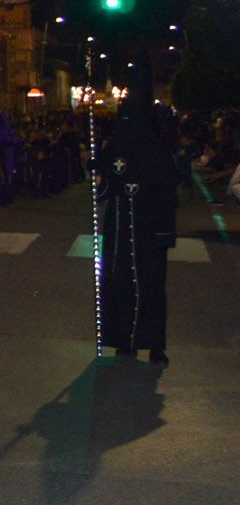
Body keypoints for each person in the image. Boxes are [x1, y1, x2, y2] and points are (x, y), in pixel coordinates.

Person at [97, 92, 179, 364]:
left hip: (149, 231)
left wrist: (164, 233)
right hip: (121, 230)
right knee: (120, 285)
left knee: (152, 287)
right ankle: (124, 341)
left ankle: (154, 344)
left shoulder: (158, 151)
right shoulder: (116, 147)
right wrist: (97, 174)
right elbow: (105, 186)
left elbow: (168, 195)